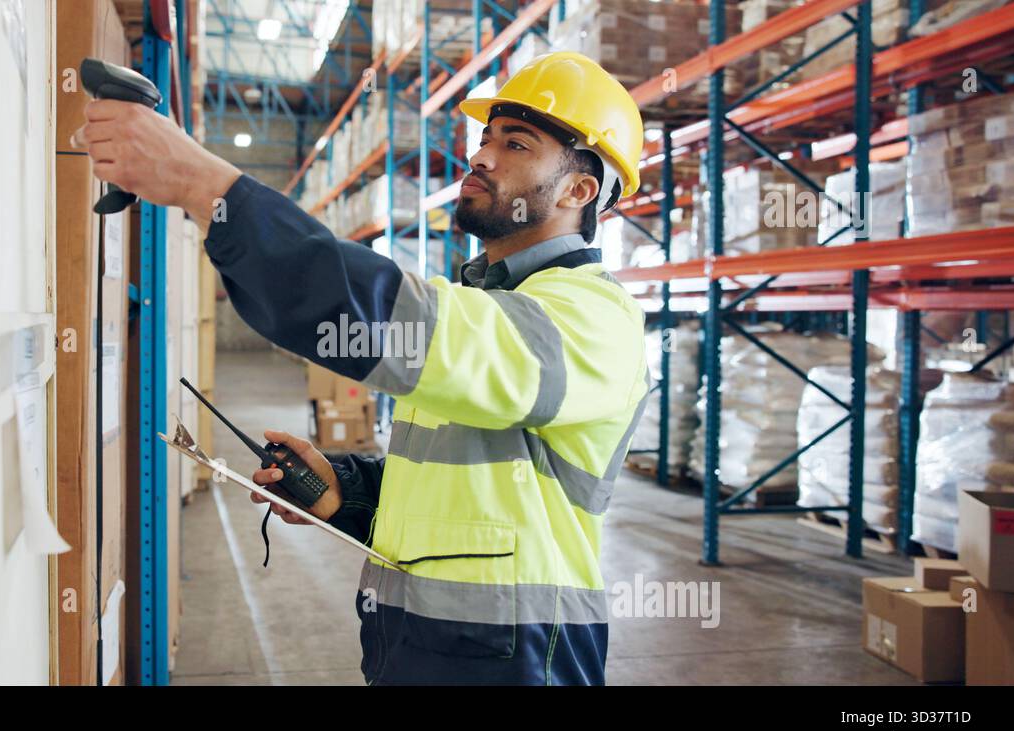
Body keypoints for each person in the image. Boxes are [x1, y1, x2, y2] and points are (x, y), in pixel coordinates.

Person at [80, 52, 649, 685]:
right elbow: (475, 486)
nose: (481, 157)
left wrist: (203, 186)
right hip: (420, 648)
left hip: (522, 659)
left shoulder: (594, 319)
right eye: (484, 139)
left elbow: (375, 315)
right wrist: (344, 488)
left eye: (516, 144)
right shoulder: (487, 304)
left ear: (579, 189)